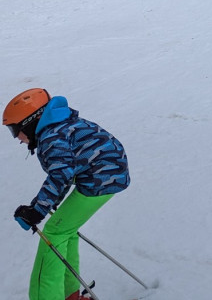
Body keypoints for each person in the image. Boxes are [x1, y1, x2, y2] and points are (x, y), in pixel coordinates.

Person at [4, 88, 130, 300]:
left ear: (29, 122)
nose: (17, 138)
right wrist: (42, 205)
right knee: (65, 231)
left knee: (53, 235)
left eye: (15, 130)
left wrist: (37, 211)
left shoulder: (51, 137)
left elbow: (61, 174)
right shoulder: (60, 127)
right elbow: (68, 170)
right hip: (108, 176)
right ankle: (69, 294)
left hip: (101, 180)